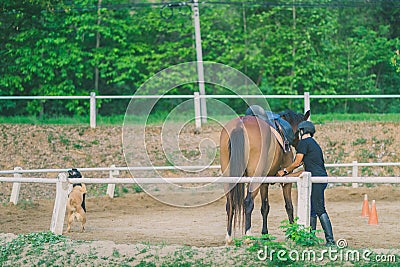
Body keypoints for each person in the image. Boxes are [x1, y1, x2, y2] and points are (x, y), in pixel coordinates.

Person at [277, 121, 335, 246]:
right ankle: (311, 238)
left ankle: (330, 240)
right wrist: (288, 176)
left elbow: (297, 162)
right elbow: (305, 171)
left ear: (301, 131)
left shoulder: (303, 143)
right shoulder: (313, 144)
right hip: (318, 178)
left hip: (316, 180)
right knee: (313, 210)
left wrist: (285, 170)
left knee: (319, 209)